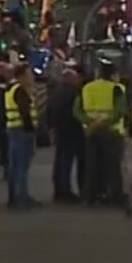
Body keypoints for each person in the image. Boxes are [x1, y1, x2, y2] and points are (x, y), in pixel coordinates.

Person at [76, 59, 130, 205]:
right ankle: (114, 196)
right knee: (113, 166)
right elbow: (120, 111)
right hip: (111, 132)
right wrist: (103, 123)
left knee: (92, 165)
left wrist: (90, 123)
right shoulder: (117, 88)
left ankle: (90, 196)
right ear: (113, 74)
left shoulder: (87, 88)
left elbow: (77, 110)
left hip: (91, 132)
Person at [4, 64, 40, 209]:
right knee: (21, 166)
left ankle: (14, 197)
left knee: (15, 166)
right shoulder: (20, 91)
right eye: (29, 74)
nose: (31, 77)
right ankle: (22, 197)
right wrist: (31, 130)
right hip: (22, 131)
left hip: (14, 130)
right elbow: (25, 112)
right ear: (21, 77)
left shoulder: (11, 89)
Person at [49, 67, 84, 202]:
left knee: (60, 160)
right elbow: (76, 112)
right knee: (66, 161)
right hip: (71, 131)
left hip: (60, 130)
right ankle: (65, 190)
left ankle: (59, 189)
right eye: (75, 78)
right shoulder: (73, 93)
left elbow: (50, 110)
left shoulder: (56, 92)